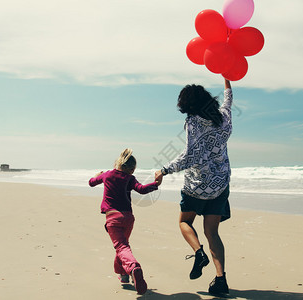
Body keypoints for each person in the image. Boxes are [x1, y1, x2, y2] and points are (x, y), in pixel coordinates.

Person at [155, 78, 233, 296]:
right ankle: (221, 280)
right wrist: (227, 79)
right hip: (220, 186)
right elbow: (228, 99)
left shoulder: (193, 122)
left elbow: (190, 156)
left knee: (184, 222)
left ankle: (199, 253)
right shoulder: (224, 117)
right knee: (212, 233)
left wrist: (164, 170)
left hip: (196, 186)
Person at [89, 148, 160, 295]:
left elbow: (91, 182)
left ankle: (134, 267)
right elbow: (141, 190)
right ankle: (123, 276)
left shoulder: (107, 175)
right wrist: (156, 184)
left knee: (121, 248)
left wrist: (97, 176)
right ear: (130, 169)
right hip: (128, 218)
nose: (133, 172)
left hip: (113, 218)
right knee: (123, 247)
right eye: (133, 169)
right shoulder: (130, 179)